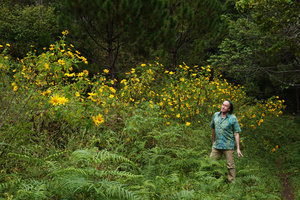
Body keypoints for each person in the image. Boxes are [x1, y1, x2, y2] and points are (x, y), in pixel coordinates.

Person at [210, 100, 243, 183]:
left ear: (229, 109)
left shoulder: (232, 118)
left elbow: (236, 133)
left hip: (228, 146)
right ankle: (214, 179)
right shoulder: (216, 115)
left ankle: (231, 182)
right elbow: (213, 128)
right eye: (222, 104)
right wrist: (213, 141)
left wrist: (238, 149)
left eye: (225, 106)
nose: (223, 106)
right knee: (211, 162)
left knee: (230, 166)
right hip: (217, 145)